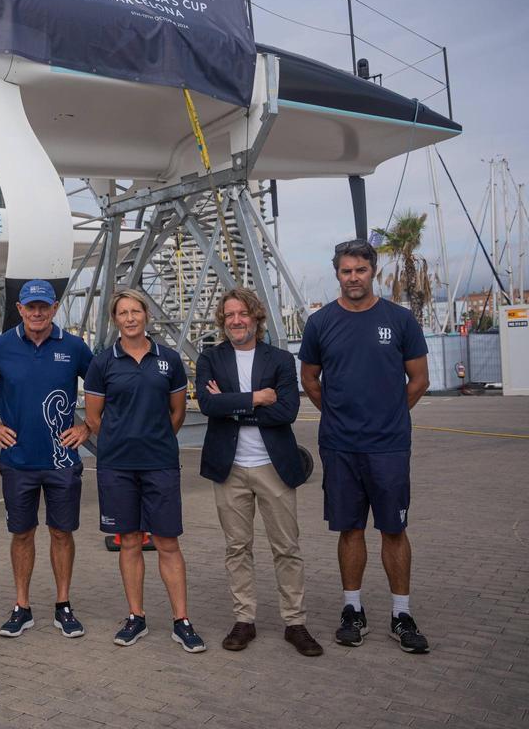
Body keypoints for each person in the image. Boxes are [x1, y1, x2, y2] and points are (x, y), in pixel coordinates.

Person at [299, 239, 430, 653]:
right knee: (349, 528)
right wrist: (339, 415)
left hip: (389, 447)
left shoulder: (400, 319)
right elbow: (310, 380)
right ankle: (352, 610)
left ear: (373, 270)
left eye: (360, 270)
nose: (353, 277)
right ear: (336, 273)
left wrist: (389, 415)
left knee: (394, 528)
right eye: (345, 271)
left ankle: (401, 613)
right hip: (340, 446)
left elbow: (419, 380)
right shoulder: (320, 323)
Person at [196, 288, 323, 656]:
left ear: (256, 318)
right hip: (229, 465)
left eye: (243, 314)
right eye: (229, 314)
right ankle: (244, 619)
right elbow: (207, 404)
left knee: (287, 547)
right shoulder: (211, 358)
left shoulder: (281, 360)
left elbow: (285, 412)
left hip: (273, 466)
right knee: (238, 547)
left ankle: (295, 623)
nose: (236, 320)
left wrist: (231, 404)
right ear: (223, 320)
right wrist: (255, 398)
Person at [83, 290, 206, 653]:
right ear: (115, 319)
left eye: (136, 311)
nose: (130, 317)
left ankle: (181, 620)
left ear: (146, 315)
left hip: (160, 464)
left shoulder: (168, 359)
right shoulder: (103, 363)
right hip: (117, 466)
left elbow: (178, 413)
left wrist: (154, 442)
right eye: (123, 312)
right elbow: (93, 418)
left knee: (168, 541)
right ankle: (135, 616)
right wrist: (120, 442)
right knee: (130, 541)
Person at [0, 280, 94, 639]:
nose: (37, 313)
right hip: (18, 460)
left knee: (62, 532)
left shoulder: (75, 347)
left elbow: (101, 387)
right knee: (22, 533)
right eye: (31, 306)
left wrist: (87, 427)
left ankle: (63, 605)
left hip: (62, 460)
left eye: (44, 306)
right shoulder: (0, 347)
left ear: (55, 307)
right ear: (20, 309)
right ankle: (22, 606)